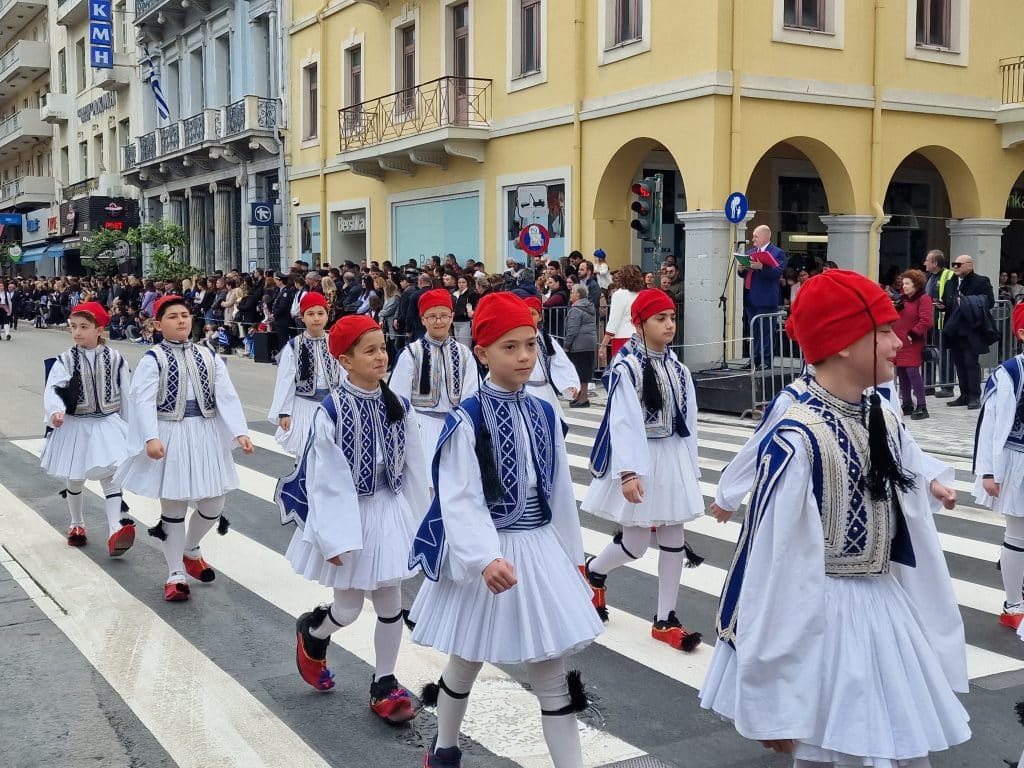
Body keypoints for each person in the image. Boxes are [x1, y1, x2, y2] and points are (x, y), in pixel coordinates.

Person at [700, 269, 969, 767]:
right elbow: (771, 568)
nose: (900, 339)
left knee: (896, 750)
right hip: (824, 618)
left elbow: (903, 459)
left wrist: (929, 480)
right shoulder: (797, 435)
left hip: (881, 606)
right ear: (844, 343)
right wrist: (773, 698)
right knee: (839, 753)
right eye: (884, 330)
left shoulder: (878, 412)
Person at [408, 292, 603, 768]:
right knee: (467, 658)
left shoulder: (544, 412)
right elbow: (459, 496)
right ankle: (446, 747)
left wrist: (573, 557)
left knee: (551, 669)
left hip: (538, 549)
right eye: (509, 346)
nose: (523, 356)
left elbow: (559, 496)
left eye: (530, 345)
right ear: (482, 353)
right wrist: (483, 557)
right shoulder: (466, 419)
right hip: (490, 554)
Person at [277, 315, 427, 722]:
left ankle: (385, 682)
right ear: (345, 360)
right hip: (350, 515)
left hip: (389, 509)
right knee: (347, 608)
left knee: (390, 600)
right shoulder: (332, 410)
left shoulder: (399, 402)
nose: (382, 356)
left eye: (383, 347)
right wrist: (334, 538)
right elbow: (325, 481)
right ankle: (314, 632)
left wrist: (425, 520)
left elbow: (415, 467)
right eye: (370, 350)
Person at [581, 289, 704, 649]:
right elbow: (623, 422)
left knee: (673, 538)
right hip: (639, 460)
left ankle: (665, 619)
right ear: (639, 323)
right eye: (660, 319)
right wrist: (629, 472)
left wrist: (690, 468)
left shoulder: (678, 368)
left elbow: (690, 420)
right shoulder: (627, 366)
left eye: (671, 318)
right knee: (635, 544)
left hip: (671, 458)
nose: (669, 325)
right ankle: (594, 571)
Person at [115, 295, 254, 602]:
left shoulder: (209, 355)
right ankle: (175, 572)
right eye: (173, 316)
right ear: (157, 324)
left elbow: (226, 395)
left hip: (205, 434)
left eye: (185, 315)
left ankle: (191, 548)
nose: (181, 320)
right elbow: (143, 401)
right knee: (174, 507)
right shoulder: (153, 358)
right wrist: (150, 437)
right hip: (170, 434)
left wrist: (240, 431)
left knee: (214, 503)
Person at [40, 302, 136, 555]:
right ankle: (77, 524)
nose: (77, 332)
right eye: (74, 327)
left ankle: (116, 527)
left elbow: (127, 394)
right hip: (76, 424)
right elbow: (54, 389)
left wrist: (132, 428)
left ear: (99, 329)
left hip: (107, 423)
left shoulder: (116, 359)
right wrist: (56, 411)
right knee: (75, 476)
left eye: (84, 327)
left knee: (112, 475)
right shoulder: (66, 359)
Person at [972, 302, 1024, 632]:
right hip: (1017, 461)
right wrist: (989, 472)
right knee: (1018, 533)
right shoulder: (1010, 372)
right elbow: (989, 424)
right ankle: (1013, 603)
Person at [389, 289, 477, 467]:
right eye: (432, 316)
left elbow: (471, 396)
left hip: (454, 428)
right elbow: (399, 400)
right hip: (420, 430)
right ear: (423, 319)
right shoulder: (411, 354)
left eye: (444, 315)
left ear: (452, 317)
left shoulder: (464, 354)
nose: (439, 321)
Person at [267, 293, 343, 455]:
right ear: (302, 317)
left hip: (332, 405)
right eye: (310, 314)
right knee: (306, 453)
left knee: (331, 454)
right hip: (304, 406)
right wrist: (284, 412)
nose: (316, 318)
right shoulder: (293, 346)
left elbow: (345, 375)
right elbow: (285, 381)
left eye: (320, 313)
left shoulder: (336, 342)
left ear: (327, 316)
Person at [940, 254, 995, 409]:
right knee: (959, 362)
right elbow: (947, 300)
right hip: (954, 327)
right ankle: (963, 395)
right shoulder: (951, 281)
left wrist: (966, 302)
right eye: (954, 264)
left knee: (971, 362)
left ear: (969, 265)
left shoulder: (981, 281)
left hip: (971, 328)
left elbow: (989, 301)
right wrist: (943, 305)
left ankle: (974, 396)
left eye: (959, 264)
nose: (955, 267)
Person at [519, 295, 579, 417]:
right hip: (523, 391)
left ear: (540, 317)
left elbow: (560, 363)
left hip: (545, 390)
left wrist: (569, 384)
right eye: (526, 313)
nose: (529, 317)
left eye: (533, 314)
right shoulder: (514, 339)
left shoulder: (546, 340)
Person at [738, 225, 786, 370]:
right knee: (753, 331)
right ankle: (754, 359)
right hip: (750, 297)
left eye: (756, 237)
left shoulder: (777, 253)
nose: (753, 240)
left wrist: (761, 267)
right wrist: (741, 269)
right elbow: (744, 274)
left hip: (766, 298)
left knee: (766, 331)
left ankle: (765, 360)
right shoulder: (751, 252)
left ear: (766, 237)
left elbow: (777, 273)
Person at [894, 269, 934, 420]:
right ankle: (907, 403)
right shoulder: (902, 299)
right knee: (901, 372)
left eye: (907, 283)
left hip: (912, 340)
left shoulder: (923, 298)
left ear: (916, 284)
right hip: (900, 341)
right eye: (903, 283)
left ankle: (922, 405)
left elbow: (926, 320)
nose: (904, 286)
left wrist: (913, 332)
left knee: (912, 371)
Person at [924, 249, 955, 398]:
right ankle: (928, 385)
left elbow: (950, 299)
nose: (925, 263)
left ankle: (947, 387)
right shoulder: (929, 276)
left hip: (943, 321)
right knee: (928, 353)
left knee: (944, 355)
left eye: (927, 261)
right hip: (929, 320)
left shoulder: (948, 275)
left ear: (935, 263)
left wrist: (942, 303)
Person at [599, 264, 644, 365]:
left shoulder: (619, 295)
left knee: (622, 372)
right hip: (640, 337)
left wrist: (603, 345)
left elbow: (613, 323)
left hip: (622, 338)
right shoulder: (642, 294)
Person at [563, 284, 598, 409]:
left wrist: (566, 345)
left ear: (578, 295)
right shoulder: (589, 307)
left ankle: (583, 399)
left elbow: (572, 330)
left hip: (579, 344)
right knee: (585, 371)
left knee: (579, 372)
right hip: (589, 343)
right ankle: (580, 397)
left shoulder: (576, 310)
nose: (570, 294)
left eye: (572, 292)